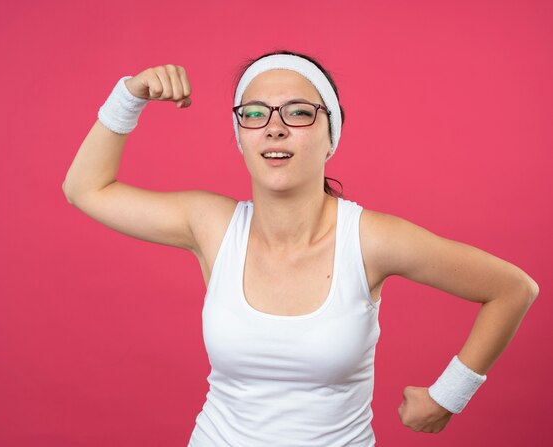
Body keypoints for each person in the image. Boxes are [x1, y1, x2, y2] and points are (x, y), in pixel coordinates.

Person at [62, 50, 539, 446]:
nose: (275, 128)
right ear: (241, 138)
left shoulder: (370, 239)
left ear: (331, 137)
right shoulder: (210, 225)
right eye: (254, 114)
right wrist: (129, 96)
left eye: (298, 112)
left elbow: (513, 289)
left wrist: (448, 396)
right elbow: (86, 188)